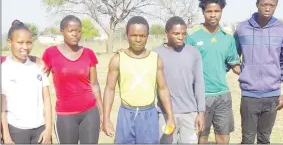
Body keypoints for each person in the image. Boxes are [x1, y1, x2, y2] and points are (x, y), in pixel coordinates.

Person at [102, 16, 175, 144]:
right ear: (127, 35)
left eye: (142, 36)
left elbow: (163, 89)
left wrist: (170, 116)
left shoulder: (155, 59)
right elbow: (109, 89)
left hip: (149, 114)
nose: (138, 39)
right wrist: (106, 118)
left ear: (147, 36)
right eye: (134, 35)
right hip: (126, 114)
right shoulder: (118, 59)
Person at [185, 0, 241, 144]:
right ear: (203, 12)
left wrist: (253, 74)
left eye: (217, 11)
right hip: (200, 95)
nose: (213, 15)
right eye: (209, 11)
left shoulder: (227, 38)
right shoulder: (192, 36)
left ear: (222, 11)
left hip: (223, 95)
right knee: (201, 136)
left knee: (223, 136)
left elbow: (235, 65)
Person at [234, 0, 283, 144]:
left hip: (272, 95)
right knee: (247, 139)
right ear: (257, 4)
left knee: (265, 138)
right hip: (249, 95)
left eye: (272, 5)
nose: (268, 8)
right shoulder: (242, 28)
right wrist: (243, 71)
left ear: (276, 6)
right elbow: (232, 56)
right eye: (264, 4)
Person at [42, 15, 103, 144]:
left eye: (78, 31)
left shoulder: (89, 53)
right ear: (62, 31)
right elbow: (41, 81)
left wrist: (102, 113)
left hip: (90, 113)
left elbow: (95, 84)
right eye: (71, 31)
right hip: (65, 115)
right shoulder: (50, 54)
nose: (75, 34)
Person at [153, 16, 205, 143]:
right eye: (176, 33)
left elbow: (199, 83)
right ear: (166, 33)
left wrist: (201, 112)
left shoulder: (193, 53)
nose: (181, 37)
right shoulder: (155, 54)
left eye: (183, 34)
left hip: (190, 114)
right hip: (165, 114)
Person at [1, 20, 52, 144]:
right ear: (10, 42)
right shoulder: (4, 69)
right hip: (16, 131)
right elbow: (1, 109)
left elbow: (46, 100)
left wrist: (48, 129)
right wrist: (6, 136)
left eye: (29, 43)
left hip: (40, 130)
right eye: (20, 43)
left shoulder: (38, 67)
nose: (25, 47)